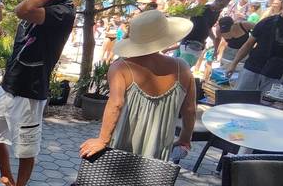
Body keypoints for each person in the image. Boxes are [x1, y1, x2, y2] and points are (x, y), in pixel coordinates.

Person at [0, 0, 74, 186]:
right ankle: (6, 177)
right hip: (8, 85)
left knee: (26, 149)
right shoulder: (37, 4)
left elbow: (21, 10)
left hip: (31, 91)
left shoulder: (62, 10)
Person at [80, 10, 196, 161]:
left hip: (122, 146)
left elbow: (116, 104)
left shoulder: (121, 68)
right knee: (150, 184)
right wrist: (185, 139)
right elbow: (190, 110)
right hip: (158, 149)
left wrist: (102, 140)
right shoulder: (182, 68)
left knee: (112, 184)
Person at [176, 0, 232, 66]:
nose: (221, 8)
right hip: (188, 42)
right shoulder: (202, 9)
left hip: (199, 45)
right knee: (182, 69)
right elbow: (184, 16)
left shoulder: (216, 13)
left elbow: (208, 28)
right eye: (221, 5)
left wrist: (215, 42)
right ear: (217, 0)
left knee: (184, 68)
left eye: (224, 6)